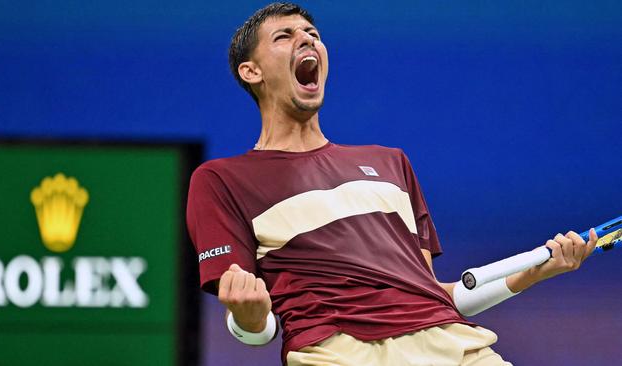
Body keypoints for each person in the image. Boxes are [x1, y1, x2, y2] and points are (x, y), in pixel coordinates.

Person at [186, 3, 598, 365]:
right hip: (340, 353)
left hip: (456, 347)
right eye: (285, 35)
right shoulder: (222, 180)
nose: (306, 40)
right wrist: (250, 316)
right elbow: (255, 325)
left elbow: (435, 294)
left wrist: (536, 273)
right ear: (251, 70)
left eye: (313, 34)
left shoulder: (390, 162)